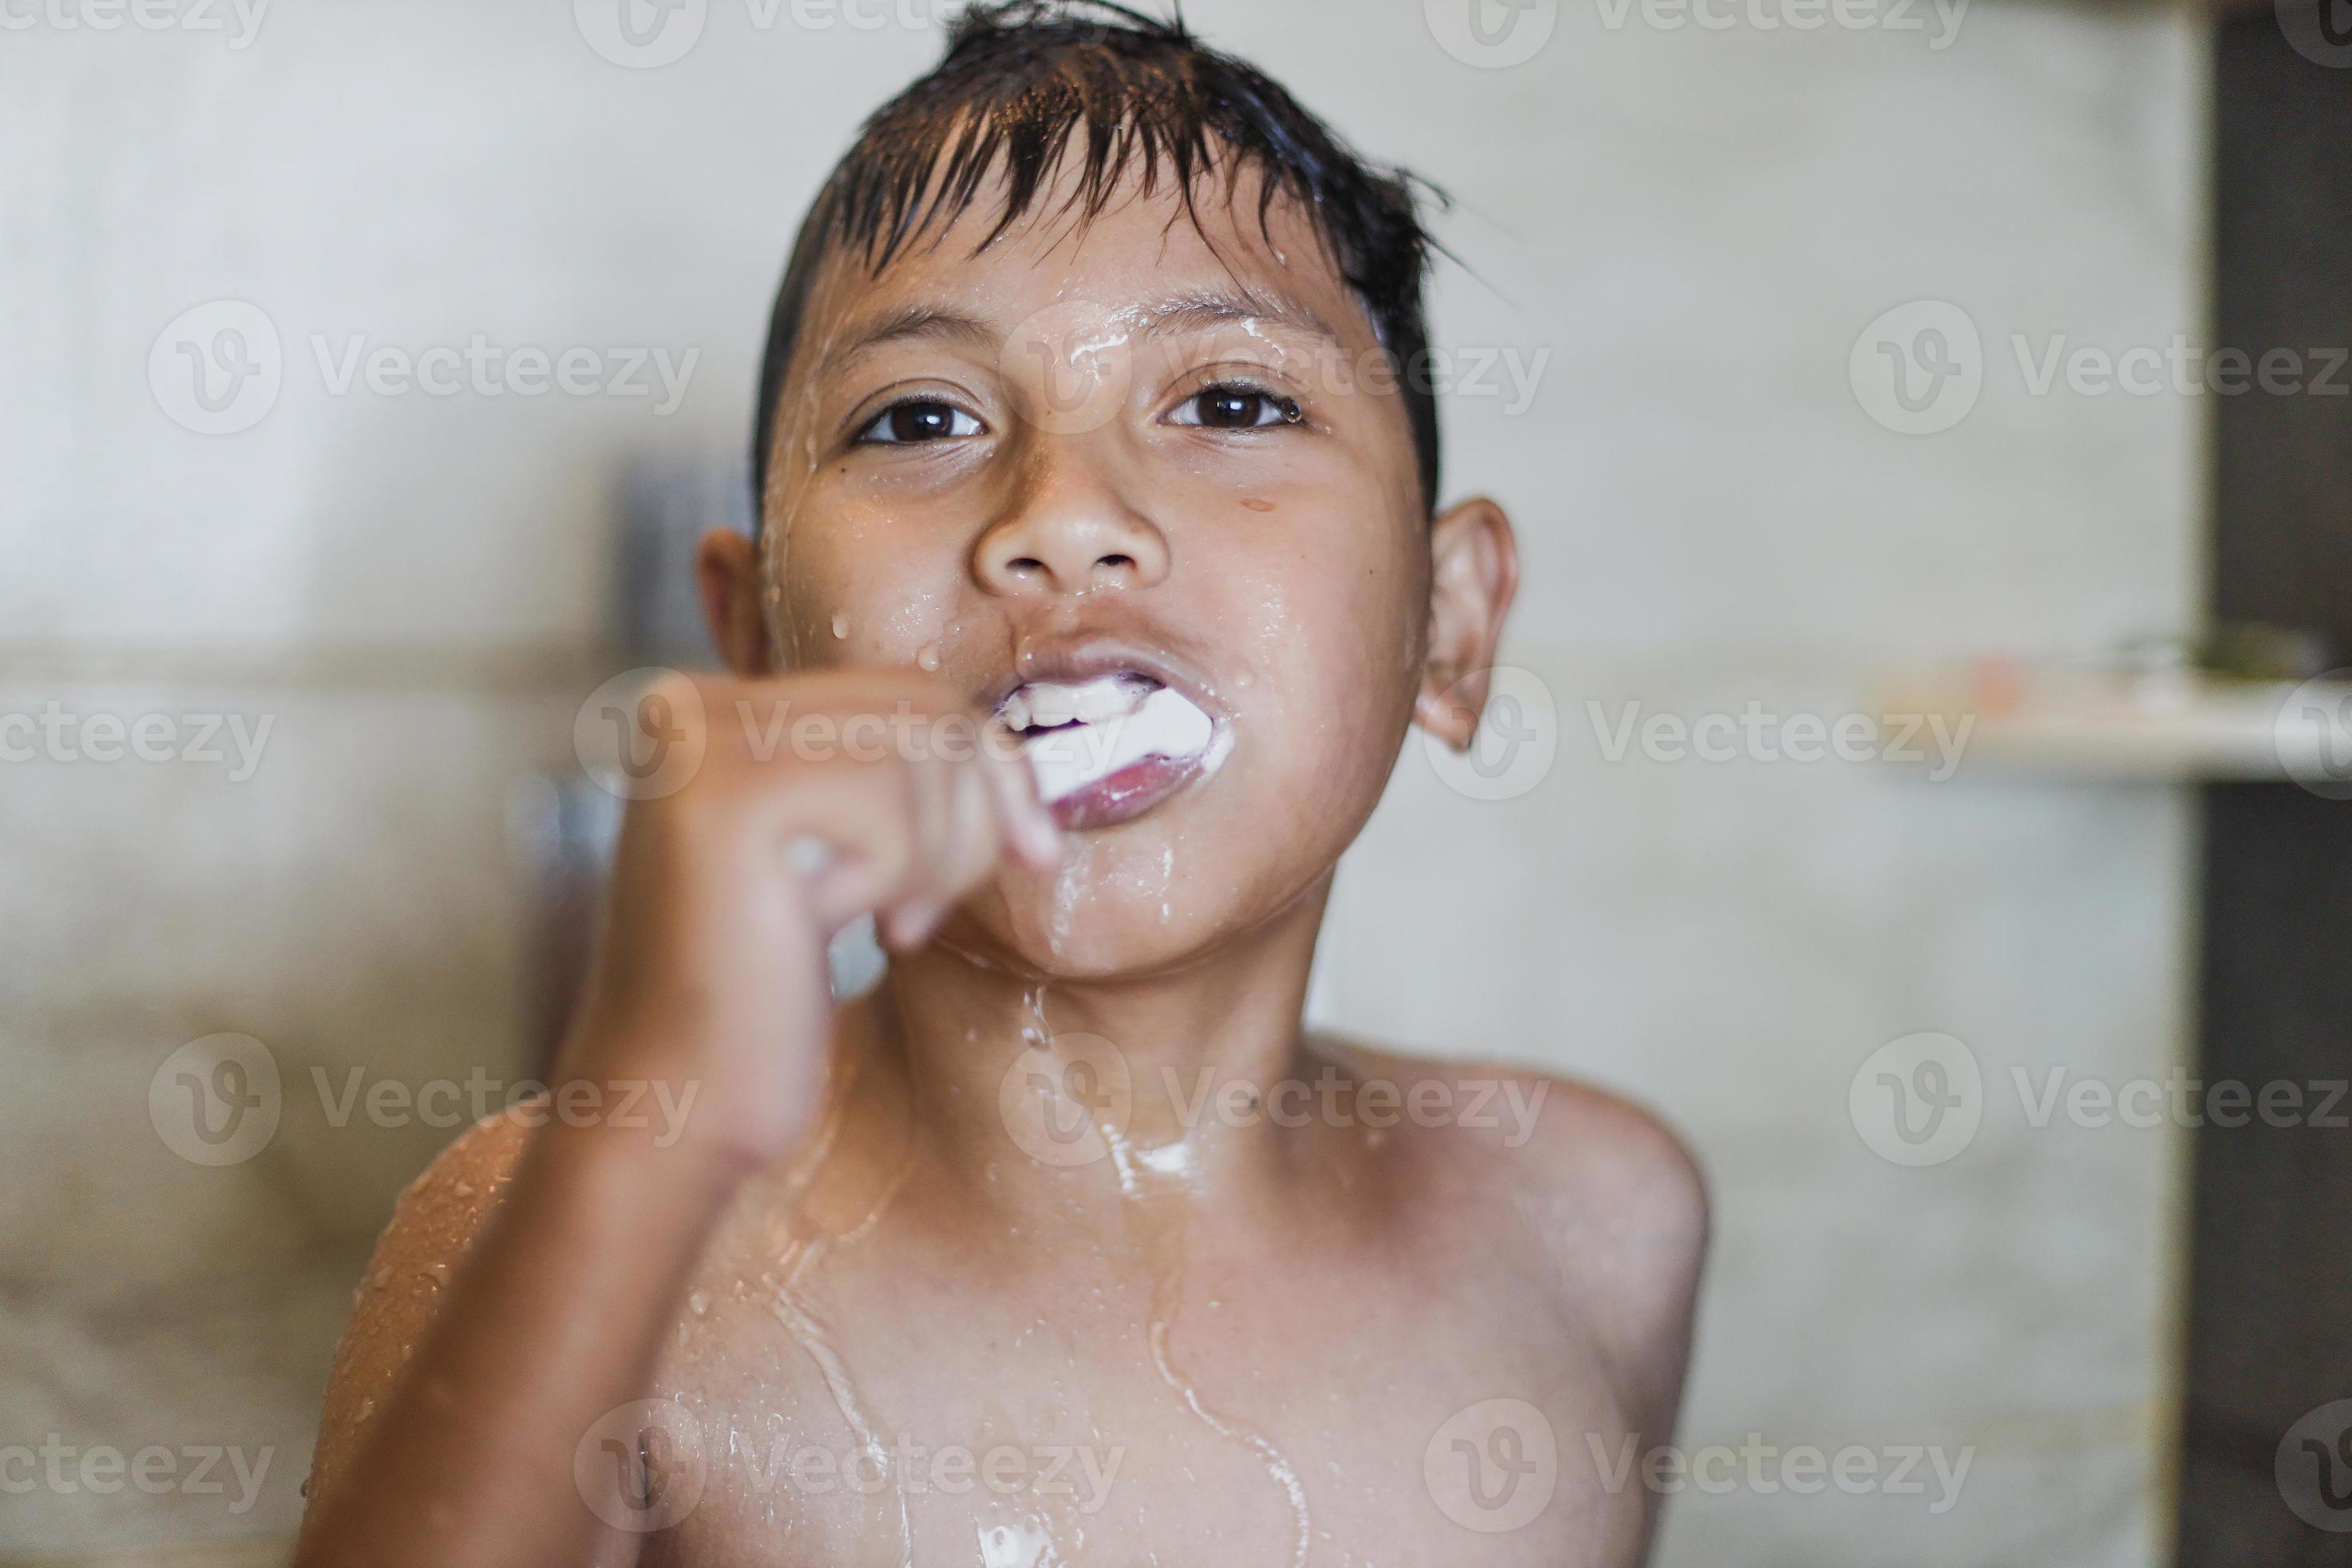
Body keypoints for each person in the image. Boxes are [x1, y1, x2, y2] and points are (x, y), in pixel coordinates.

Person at [294, 4, 1706, 1562]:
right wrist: (650, 1133)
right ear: (759, 643)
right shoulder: (565, 1240)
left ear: (1448, 626)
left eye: (1232, 402)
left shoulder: (1591, 1221)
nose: (1064, 519)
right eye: (922, 418)